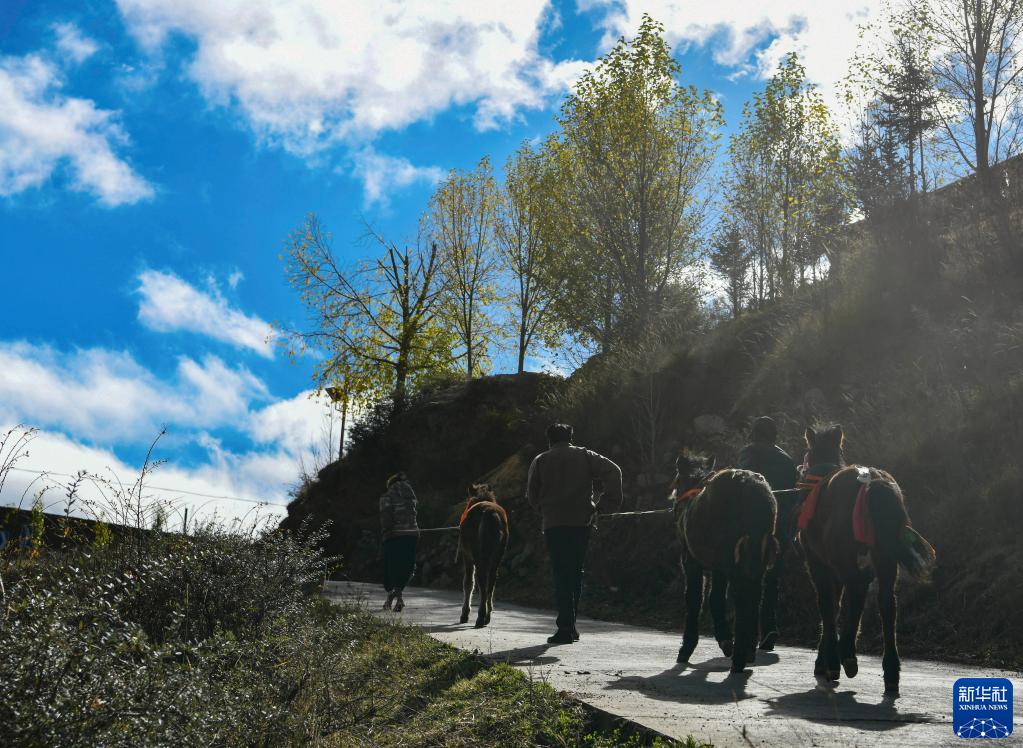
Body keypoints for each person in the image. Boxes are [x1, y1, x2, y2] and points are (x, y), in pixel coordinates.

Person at [526, 423, 623, 645]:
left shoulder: (540, 460)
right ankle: (571, 626)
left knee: (561, 573)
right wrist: (604, 505)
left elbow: (531, 494)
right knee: (575, 572)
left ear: (549, 440)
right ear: (570, 437)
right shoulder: (585, 455)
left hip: (554, 524)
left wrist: (544, 510)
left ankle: (565, 628)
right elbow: (614, 471)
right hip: (582, 522)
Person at [736, 416, 799, 651]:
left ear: (755, 433)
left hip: (751, 526)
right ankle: (769, 626)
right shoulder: (787, 459)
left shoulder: (748, 453)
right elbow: (793, 494)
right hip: (779, 526)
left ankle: (749, 630)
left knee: (748, 577)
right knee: (773, 579)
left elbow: (741, 485)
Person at [379, 471, 419, 612]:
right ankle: (393, 599)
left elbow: (386, 518)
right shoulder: (411, 496)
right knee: (406, 567)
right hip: (412, 535)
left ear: (390, 485)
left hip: (394, 536)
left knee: (391, 569)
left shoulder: (386, 497)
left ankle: (396, 598)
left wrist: (385, 533)